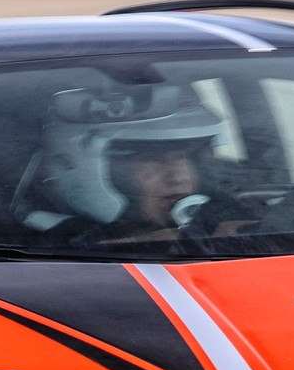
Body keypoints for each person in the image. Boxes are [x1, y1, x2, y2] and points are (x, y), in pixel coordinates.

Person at [18, 83, 228, 248]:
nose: (176, 177)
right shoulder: (51, 254)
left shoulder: (230, 221)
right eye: (151, 160)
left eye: (183, 157)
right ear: (79, 167)